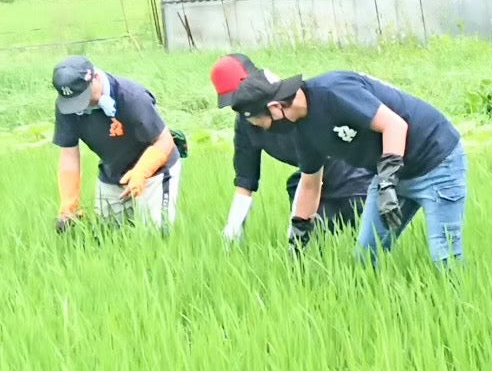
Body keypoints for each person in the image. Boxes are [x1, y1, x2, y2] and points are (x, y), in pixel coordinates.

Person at [218, 58, 467, 268]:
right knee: (367, 257)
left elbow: (394, 125)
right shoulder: (303, 131)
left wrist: (387, 185)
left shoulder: (333, 91)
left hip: (436, 160)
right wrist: (298, 237)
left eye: (263, 124)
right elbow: (309, 185)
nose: (267, 132)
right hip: (391, 174)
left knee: (445, 258)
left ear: (275, 107)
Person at [210, 53, 372, 243]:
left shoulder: (290, 107)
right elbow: (246, 181)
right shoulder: (246, 124)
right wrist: (232, 233)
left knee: (345, 246)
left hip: (350, 176)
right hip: (310, 178)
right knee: (308, 245)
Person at [51, 55, 183, 232]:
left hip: (156, 173)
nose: (80, 106)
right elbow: (69, 154)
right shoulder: (67, 106)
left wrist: (142, 172)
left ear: (95, 78)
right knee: (108, 236)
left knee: (157, 233)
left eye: (83, 98)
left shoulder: (132, 97)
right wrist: (69, 204)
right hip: (113, 173)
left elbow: (165, 141)